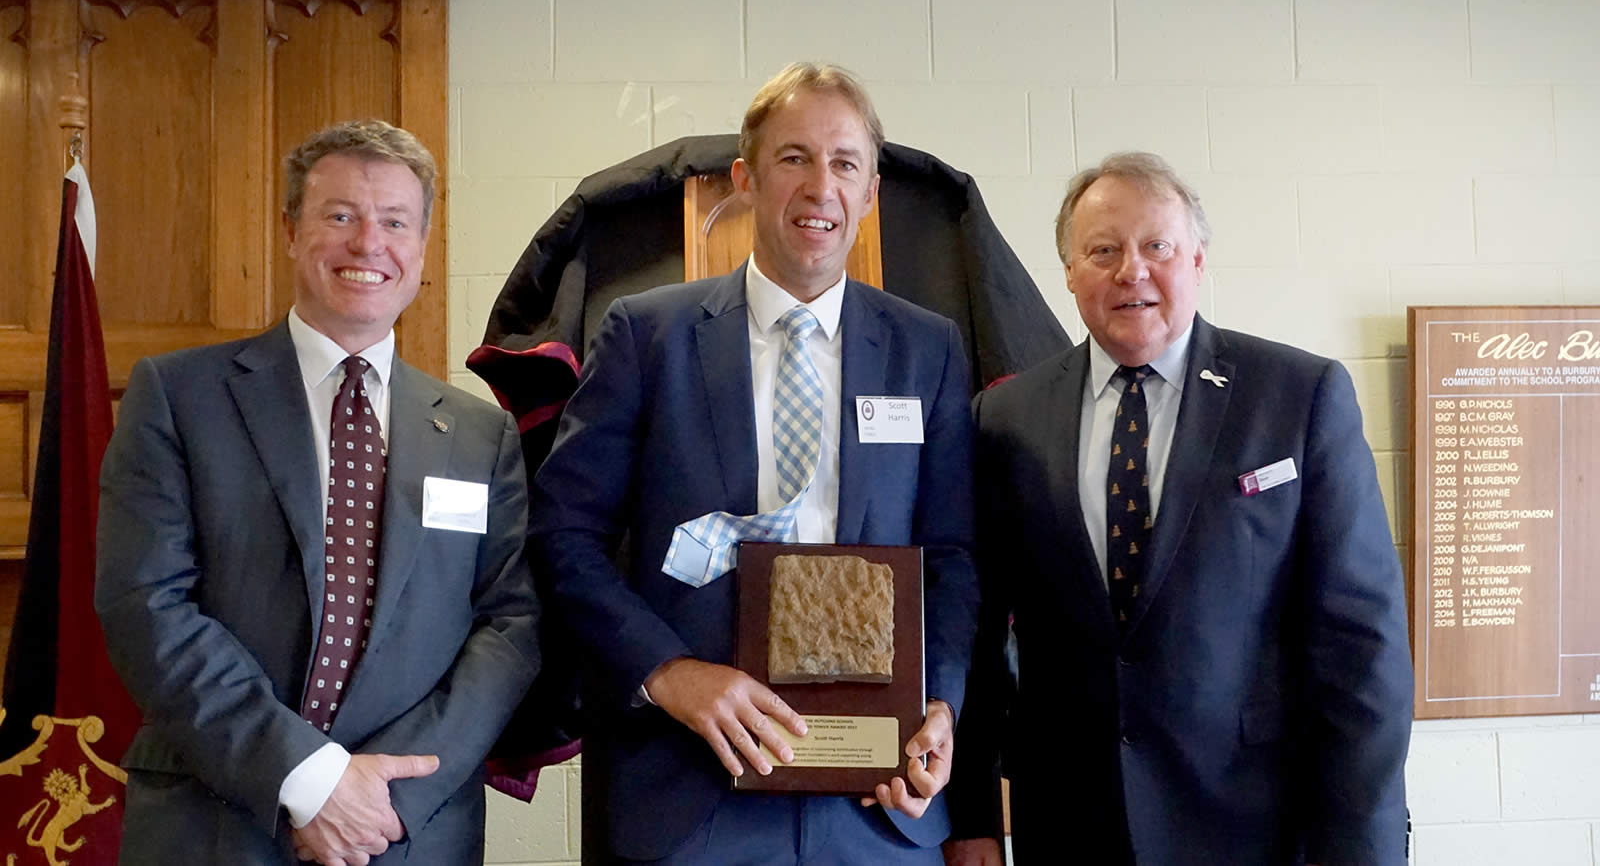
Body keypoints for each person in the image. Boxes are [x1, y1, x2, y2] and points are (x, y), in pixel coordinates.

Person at [528, 62, 980, 864]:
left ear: (870, 192)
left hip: (876, 808)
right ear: (746, 178)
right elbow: (562, 534)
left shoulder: (928, 349)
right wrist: (667, 671)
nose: (820, 187)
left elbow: (951, 557)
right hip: (688, 797)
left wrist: (938, 702)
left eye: (845, 164)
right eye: (794, 158)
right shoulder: (647, 335)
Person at [944, 152, 1413, 866]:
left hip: (1255, 823)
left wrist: (1365, 845)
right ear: (1069, 273)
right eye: (1102, 250)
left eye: (1156, 246)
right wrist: (972, 812)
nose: (1131, 270)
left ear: (1196, 259)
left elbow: (1361, 643)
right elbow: (974, 633)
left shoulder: (1297, 397)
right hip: (1070, 822)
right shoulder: (1004, 417)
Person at [95, 120, 540, 866]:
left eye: (394, 221)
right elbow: (146, 603)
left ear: (423, 249)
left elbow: (510, 626)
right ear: (291, 232)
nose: (369, 244)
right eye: (339, 216)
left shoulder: (479, 434)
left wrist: (382, 797)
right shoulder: (178, 396)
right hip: (217, 820)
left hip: (409, 828)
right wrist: (307, 777)